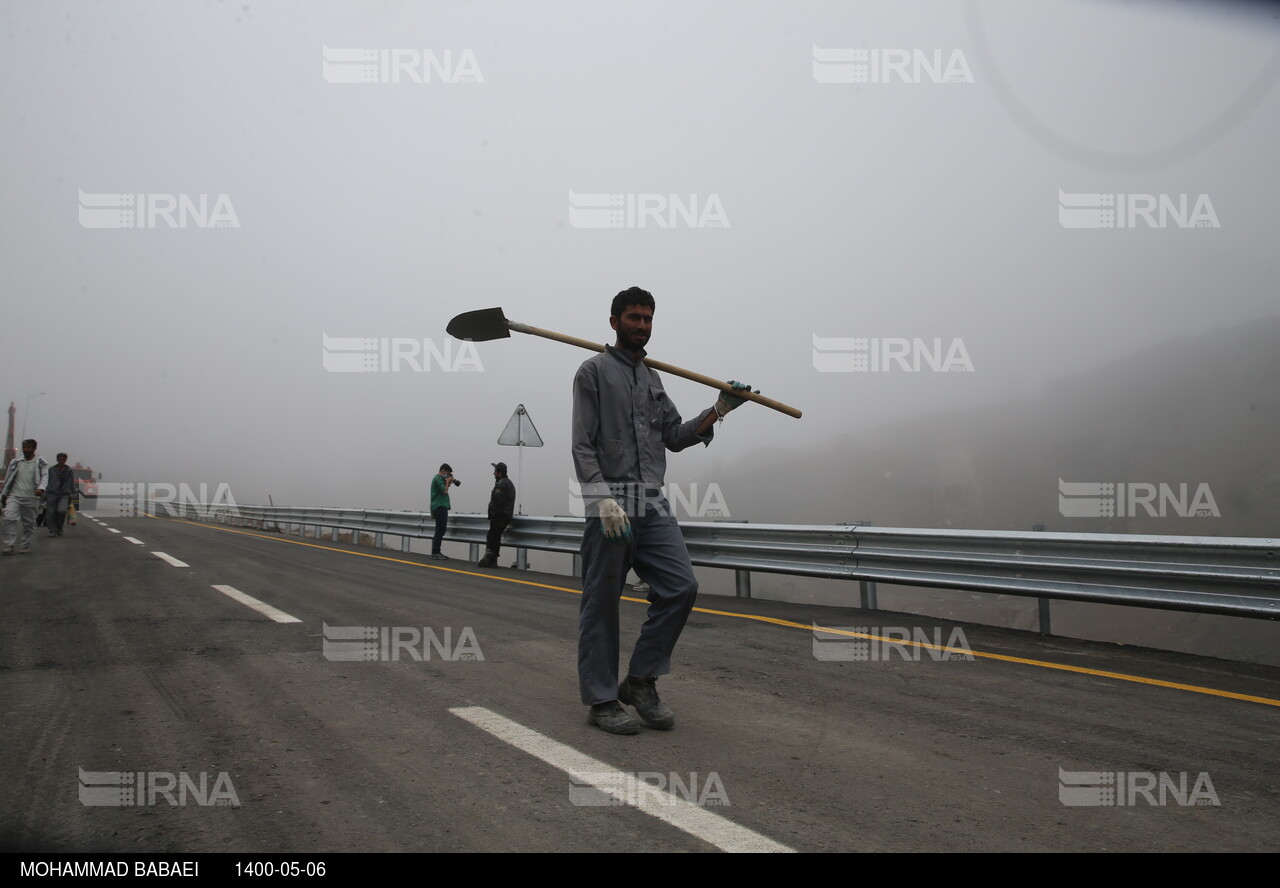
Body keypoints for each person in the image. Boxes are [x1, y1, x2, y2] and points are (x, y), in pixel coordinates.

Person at [572, 286, 755, 734]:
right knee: (602, 604)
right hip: (611, 503)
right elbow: (582, 443)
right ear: (614, 322)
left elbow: (673, 434)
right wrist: (601, 499)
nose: (641, 325)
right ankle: (601, 701)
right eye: (633, 317)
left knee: (681, 586)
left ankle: (640, 681)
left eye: (648, 319)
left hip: (652, 503)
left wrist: (719, 410)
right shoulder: (592, 372)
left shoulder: (653, 379)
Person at [2, 439, 49, 555]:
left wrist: (41, 488)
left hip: (31, 497)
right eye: (24, 447)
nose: (26, 450)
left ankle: (25, 544)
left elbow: (45, 476)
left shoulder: (40, 462)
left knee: (29, 523)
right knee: (9, 518)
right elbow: (8, 478)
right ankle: (9, 544)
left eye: (29, 447)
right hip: (14, 495)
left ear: (34, 448)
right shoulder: (15, 462)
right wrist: (4, 494)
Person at [478, 462, 516, 568]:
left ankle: (489, 553)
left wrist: (493, 514)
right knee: (496, 536)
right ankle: (493, 561)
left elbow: (498, 501)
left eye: (495, 472)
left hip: (499, 515)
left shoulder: (501, 484)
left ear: (500, 473)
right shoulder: (508, 483)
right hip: (505, 515)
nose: (493, 473)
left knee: (492, 535)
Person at [44, 453, 79, 537]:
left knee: (61, 511)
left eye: (63, 459)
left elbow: (72, 482)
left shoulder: (69, 470)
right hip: (52, 493)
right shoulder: (51, 470)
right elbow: (46, 481)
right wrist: (43, 492)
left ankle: (59, 527)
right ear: (57, 459)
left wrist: (73, 492)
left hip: (64, 494)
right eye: (60, 459)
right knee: (50, 513)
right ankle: (52, 530)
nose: (61, 460)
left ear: (66, 460)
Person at [430, 463, 460, 560]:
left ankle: (436, 552)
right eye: (447, 473)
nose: (447, 476)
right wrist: (447, 482)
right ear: (443, 471)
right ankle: (435, 552)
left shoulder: (439, 479)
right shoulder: (438, 478)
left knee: (440, 530)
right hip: (439, 506)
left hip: (440, 506)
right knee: (440, 530)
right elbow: (444, 491)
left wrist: (449, 482)